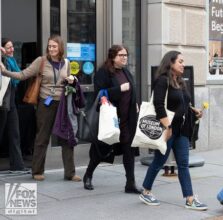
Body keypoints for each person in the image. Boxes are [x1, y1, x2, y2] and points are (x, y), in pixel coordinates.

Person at [0, 35, 80, 181]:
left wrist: (72, 80)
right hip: (46, 103)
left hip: (62, 104)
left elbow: (70, 81)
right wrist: (5, 72)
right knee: (42, 137)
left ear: (60, 47)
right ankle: (37, 171)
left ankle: (70, 173)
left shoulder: (67, 63)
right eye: (49, 46)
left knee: (66, 138)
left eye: (54, 46)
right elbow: (23, 75)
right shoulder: (41, 61)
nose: (51, 49)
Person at [139, 50, 208, 211]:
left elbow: (183, 103)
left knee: (183, 164)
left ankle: (190, 199)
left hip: (182, 130)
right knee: (159, 161)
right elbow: (158, 105)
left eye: (183, 62)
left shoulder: (180, 81)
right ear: (171, 63)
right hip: (168, 129)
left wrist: (193, 110)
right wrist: (167, 127)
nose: (183, 65)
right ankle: (146, 191)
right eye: (180, 62)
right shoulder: (162, 81)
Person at [82, 45, 142, 194]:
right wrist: (119, 89)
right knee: (101, 150)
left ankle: (130, 183)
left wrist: (135, 104)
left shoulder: (127, 72)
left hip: (127, 119)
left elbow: (132, 92)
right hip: (111, 119)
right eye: (121, 55)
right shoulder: (103, 73)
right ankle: (88, 175)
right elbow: (100, 94)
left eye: (126, 55)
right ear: (113, 57)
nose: (125, 57)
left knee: (129, 150)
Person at [0, 38, 30, 174]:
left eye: (12, 47)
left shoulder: (11, 61)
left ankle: (17, 165)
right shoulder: (2, 61)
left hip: (11, 102)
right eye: (8, 47)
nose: (12, 49)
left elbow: (18, 76)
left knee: (15, 134)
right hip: (2, 102)